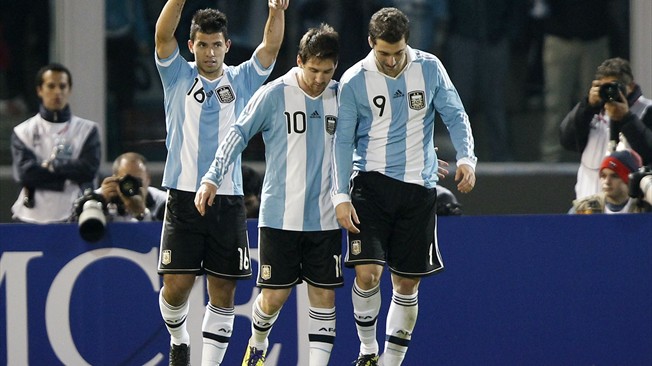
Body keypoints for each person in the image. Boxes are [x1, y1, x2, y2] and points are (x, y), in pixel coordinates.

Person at [331, 7, 477, 366]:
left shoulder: (428, 67)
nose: (393, 61)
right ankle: (367, 350)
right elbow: (342, 142)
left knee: (407, 285)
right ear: (371, 43)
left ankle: (391, 363)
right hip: (370, 185)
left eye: (399, 53)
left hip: (418, 190)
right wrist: (340, 195)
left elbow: (455, 114)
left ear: (407, 43)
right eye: (384, 53)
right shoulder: (354, 80)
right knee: (368, 273)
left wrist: (467, 158)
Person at [195, 23, 342, 366]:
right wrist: (212, 178)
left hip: (324, 216)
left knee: (324, 297)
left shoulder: (342, 95)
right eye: (313, 70)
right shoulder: (275, 93)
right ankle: (257, 345)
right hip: (280, 216)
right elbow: (238, 133)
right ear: (299, 61)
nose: (320, 79)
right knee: (274, 297)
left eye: (327, 71)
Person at [153, 0, 288, 365]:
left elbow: (270, 48)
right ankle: (179, 338)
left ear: (227, 46)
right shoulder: (176, 75)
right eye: (202, 44)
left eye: (216, 45)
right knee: (176, 287)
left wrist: (276, 10)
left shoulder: (242, 79)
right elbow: (162, 34)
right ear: (191, 46)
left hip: (227, 198)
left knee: (223, 290)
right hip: (182, 195)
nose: (209, 52)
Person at [10, 63, 101, 223]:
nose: (57, 92)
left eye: (62, 86)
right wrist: (68, 175)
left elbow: (88, 169)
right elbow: (25, 174)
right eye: (51, 86)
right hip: (30, 217)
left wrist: (51, 167)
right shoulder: (23, 131)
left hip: (75, 215)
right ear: (40, 90)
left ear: (69, 90)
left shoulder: (87, 129)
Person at [445, 0, 528, 161]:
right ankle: (460, 157)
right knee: (459, 103)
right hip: (462, 36)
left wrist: (510, 33)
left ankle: (502, 158)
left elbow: (517, 7)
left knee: (496, 103)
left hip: (496, 39)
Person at [560, 57, 652, 200]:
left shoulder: (647, 110)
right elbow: (567, 140)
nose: (611, 92)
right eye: (605, 87)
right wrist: (587, 107)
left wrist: (626, 119)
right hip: (588, 207)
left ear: (631, 86)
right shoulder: (590, 111)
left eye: (616, 86)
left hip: (631, 211)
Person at [538, 0, 612, 162]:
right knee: (556, 103)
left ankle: (595, 158)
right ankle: (551, 160)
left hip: (595, 36)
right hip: (559, 36)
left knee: (596, 104)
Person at [571, 149, 651, 214]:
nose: (607, 181)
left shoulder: (644, 208)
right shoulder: (584, 208)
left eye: (614, 176)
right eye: (603, 176)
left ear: (628, 180)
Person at [97, 152, 166, 222]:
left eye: (137, 181)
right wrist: (102, 204)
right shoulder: (100, 196)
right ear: (115, 180)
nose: (131, 187)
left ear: (148, 179)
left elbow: (163, 231)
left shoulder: (164, 203)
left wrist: (142, 213)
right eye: (127, 182)